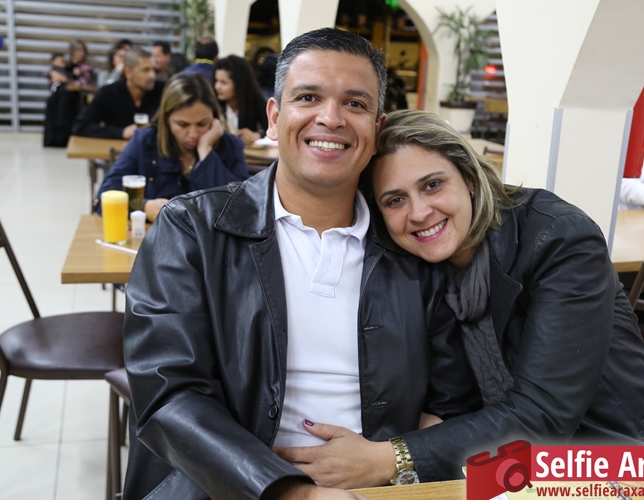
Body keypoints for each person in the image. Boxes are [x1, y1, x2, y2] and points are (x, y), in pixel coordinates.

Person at [122, 28, 480, 500]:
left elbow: (452, 399)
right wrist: (293, 492)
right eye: (308, 97)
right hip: (221, 486)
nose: (330, 118)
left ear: (376, 129)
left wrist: (395, 462)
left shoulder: (411, 242)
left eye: (354, 103)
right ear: (274, 117)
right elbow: (168, 392)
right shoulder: (192, 229)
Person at [274, 109, 644, 488]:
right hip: (518, 470)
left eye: (432, 185)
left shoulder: (557, 238)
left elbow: (544, 416)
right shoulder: (420, 265)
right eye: (395, 200)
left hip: (639, 464)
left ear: (468, 177)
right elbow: (449, 399)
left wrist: (389, 457)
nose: (419, 212)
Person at [93, 73, 249, 221]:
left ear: (214, 117)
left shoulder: (230, 146)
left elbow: (245, 210)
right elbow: (103, 198)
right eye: (182, 124)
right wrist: (144, 206)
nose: (193, 134)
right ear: (166, 118)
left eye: (202, 124)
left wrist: (206, 152)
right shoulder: (145, 141)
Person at [72, 47, 164, 139]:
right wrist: (121, 132)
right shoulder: (108, 93)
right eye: (145, 70)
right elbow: (80, 126)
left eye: (154, 70)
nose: (152, 75)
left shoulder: (163, 90)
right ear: (128, 72)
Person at [214, 55, 269, 144]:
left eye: (223, 82)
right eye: (216, 80)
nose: (217, 87)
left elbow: (273, 130)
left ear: (239, 83)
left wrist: (258, 135)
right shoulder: (213, 105)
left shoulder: (255, 102)